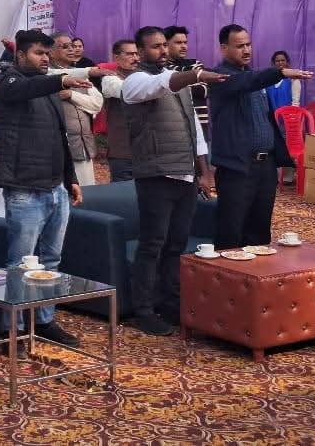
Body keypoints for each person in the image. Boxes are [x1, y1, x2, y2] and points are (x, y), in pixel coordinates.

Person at [121, 26, 227, 334]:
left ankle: (170, 303)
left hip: (185, 174)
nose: (162, 51)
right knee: (152, 244)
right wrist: (196, 75)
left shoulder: (176, 79)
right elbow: (158, 85)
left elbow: (194, 129)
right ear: (140, 52)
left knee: (177, 243)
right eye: (155, 47)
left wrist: (204, 170)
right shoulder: (135, 81)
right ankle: (144, 310)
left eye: (163, 46)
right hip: (156, 174)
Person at [0, 29, 88, 350]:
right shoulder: (9, 82)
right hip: (24, 187)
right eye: (38, 53)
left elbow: (61, 137)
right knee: (21, 264)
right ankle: (13, 331)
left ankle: (44, 321)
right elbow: (24, 89)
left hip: (56, 186)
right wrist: (60, 80)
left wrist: (70, 178)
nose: (45, 58)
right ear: (20, 55)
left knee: (51, 260)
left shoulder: (47, 85)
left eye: (47, 54)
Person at [206, 25, 312, 251]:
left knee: (260, 231)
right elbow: (246, 81)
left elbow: (254, 85)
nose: (246, 50)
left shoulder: (253, 77)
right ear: (224, 48)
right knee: (231, 232)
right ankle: (228, 274)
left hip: (265, 166)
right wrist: (280, 72)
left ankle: (256, 274)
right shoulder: (219, 77)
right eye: (239, 46)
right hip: (237, 166)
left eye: (248, 44)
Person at [50, 31, 103, 185]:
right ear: (51, 52)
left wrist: (72, 95)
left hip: (83, 144)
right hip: (58, 147)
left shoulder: (80, 75)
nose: (71, 49)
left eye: (72, 46)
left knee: (87, 191)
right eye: (65, 46)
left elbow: (97, 104)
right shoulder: (47, 76)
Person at [101, 38, 141, 181]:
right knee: (125, 193)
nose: (135, 58)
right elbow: (131, 90)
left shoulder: (145, 77)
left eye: (137, 54)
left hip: (146, 153)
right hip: (122, 152)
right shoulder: (110, 79)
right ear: (116, 58)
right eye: (129, 54)